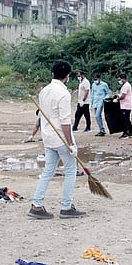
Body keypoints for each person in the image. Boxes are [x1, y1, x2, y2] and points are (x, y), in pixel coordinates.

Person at [28, 61, 85, 220]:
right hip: (61, 138)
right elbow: (65, 121)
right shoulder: (63, 93)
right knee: (70, 170)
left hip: (47, 137)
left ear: (52, 73)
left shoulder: (44, 91)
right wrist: (71, 144)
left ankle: (36, 205)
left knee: (48, 171)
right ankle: (66, 207)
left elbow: (42, 116)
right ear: (67, 76)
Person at [116, 73, 132, 139]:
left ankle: (125, 133)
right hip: (126, 105)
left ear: (123, 79)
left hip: (125, 105)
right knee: (127, 119)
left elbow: (123, 96)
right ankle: (130, 132)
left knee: (125, 119)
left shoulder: (126, 86)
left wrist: (117, 99)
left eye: (120, 79)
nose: (119, 81)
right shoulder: (126, 85)